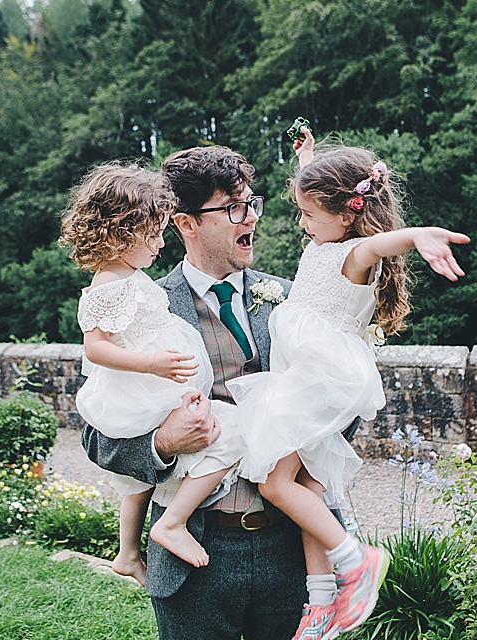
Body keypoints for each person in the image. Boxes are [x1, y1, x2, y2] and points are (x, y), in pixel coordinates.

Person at [227, 128, 470, 639]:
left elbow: (381, 240)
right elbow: (321, 194)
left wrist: (416, 235)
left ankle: (354, 559)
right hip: (308, 375)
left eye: (309, 215)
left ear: (348, 213)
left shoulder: (354, 252)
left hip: (317, 377)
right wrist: (309, 160)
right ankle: (320, 605)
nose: (302, 223)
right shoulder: (329, 234)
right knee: (307, 486)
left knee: (273, 482)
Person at [80, 146, 306, 640]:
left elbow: (342, 409)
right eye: (232, 208)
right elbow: (97, 435)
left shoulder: (290, 297)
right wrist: (161, 444)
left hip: (291, 547)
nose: (249, 218)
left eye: (251, 203)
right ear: (183, 223)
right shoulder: (141, 305)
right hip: (195, 558)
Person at [60, 162, 244, 586]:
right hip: (146, 386)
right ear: (122, 232)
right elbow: (96, 347)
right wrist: (152, 365)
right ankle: (172, 523)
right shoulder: (107, 283)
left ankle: (127, 552)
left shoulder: (131, 276)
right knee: (230, 429)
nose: (162, 244)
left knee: (133, 481)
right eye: (153, 235)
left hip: (155, 382)